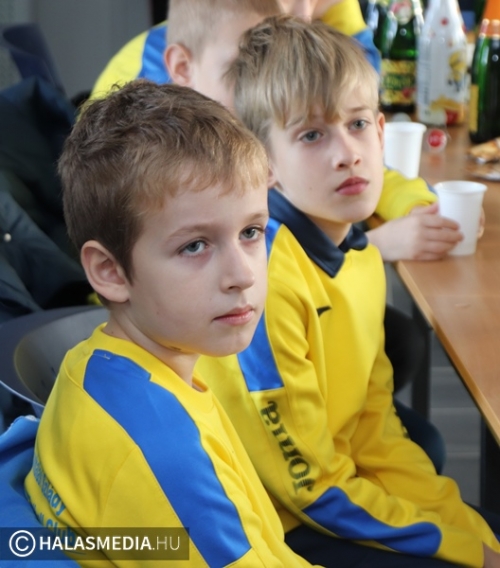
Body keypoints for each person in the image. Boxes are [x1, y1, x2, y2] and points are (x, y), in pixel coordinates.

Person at [197, 16, 500, 568]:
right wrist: (458, 548)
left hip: (332, 487)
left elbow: (373, 424)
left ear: (381, 133)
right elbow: (309, 489)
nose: (347, 153)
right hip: (270, 526)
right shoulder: (260, 284)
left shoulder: (358, 250)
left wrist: (461, 526)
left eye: (357, 124)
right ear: (265, 164)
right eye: (311, 135)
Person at [23, 80, 314, 568]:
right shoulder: (164, 452)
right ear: (110, 272)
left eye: (251, 232)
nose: (243, 274)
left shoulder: (97, 364)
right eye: (194, 246)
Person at [89, 0, 462, 264]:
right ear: (182, 68)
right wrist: (370, 248)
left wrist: (418, 207)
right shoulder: (164, 137)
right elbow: (218, 268)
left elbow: (357, 155)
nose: (265, 81)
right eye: (243, 66)